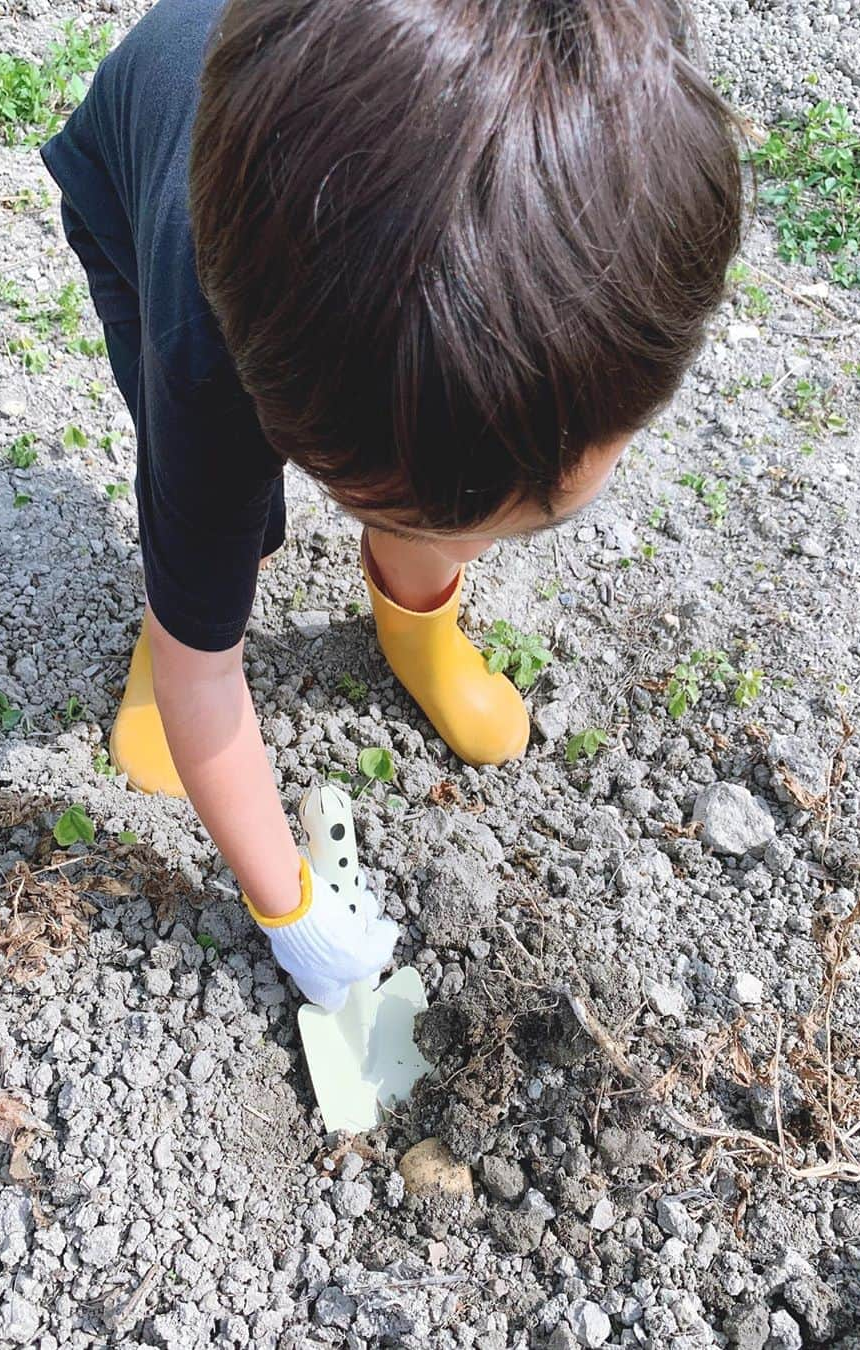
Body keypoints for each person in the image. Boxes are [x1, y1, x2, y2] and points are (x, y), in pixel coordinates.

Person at [39, 0, 745, 1011]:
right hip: (142, 187)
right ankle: (179, 616)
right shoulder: (205, 355)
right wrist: (289, 909)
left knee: (445, 467)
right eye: (410, 516)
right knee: (216, 530)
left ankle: (419, 627)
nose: (486, 535)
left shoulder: (620, 246)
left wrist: (438, 514)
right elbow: (212, 696)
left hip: (333, 185)